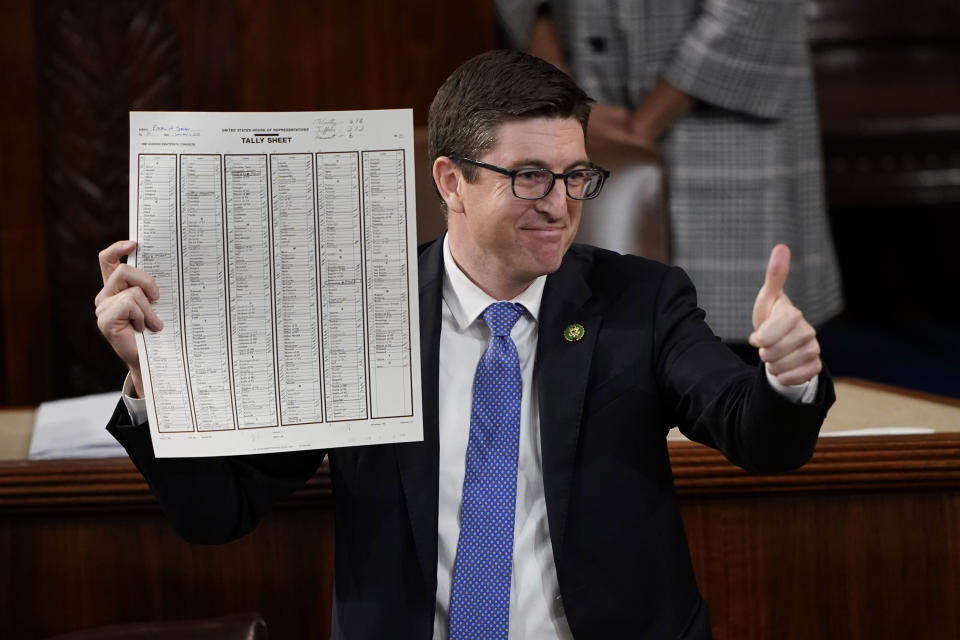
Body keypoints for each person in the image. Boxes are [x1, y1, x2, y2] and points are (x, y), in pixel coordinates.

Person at [95, 50, 834, 640]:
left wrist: (785, 377)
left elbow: (756, 434)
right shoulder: (355, 312)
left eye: (577, 175)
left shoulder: (640, 300)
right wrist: (149, 376)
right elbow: (217, 515)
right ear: (451, 180)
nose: (561, 204)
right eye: (530, 177)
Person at [497, 1, 844, 358]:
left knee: (739, 350)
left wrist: (639, 127)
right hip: (582, 99)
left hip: (723, 121)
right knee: (600, 350)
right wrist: (566, 103)